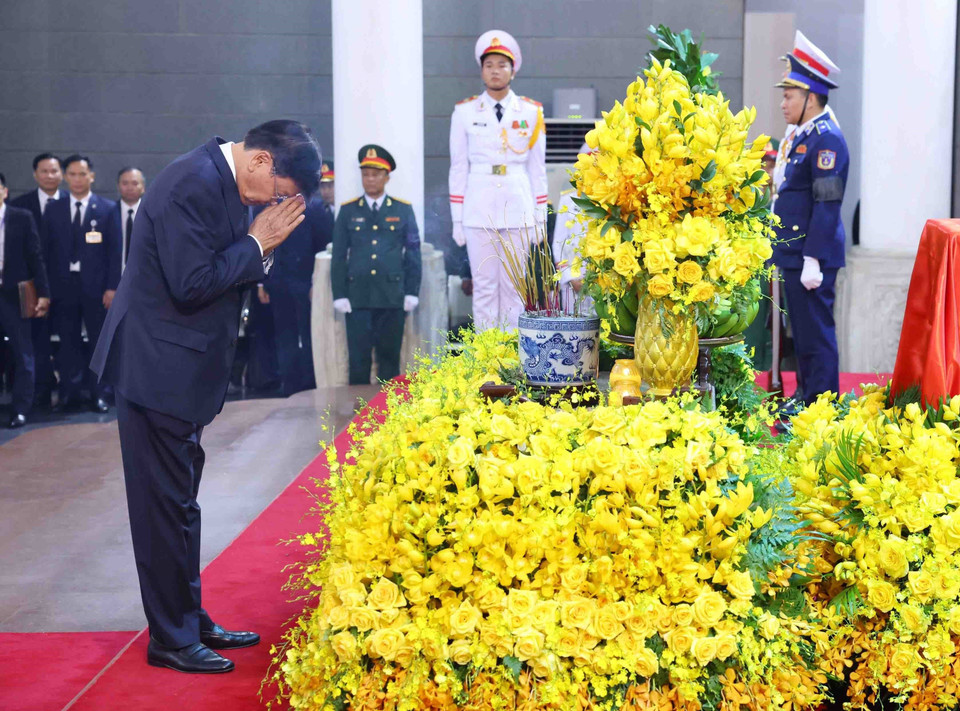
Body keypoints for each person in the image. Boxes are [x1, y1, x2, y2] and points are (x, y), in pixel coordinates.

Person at [90, 120, 320, 674]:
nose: (278, 207)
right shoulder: (189, 183)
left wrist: (255, 244)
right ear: (263, 162)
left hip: (181, 370)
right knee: (161, 508)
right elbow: (192, 282)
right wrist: (257, 241)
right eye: (284, 194)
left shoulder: (228, 180)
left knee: (181, 505)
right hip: (156, 369)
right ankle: (169, 638)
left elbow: (224, 268)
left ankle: (187, 618)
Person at [449, 29, 547, 331]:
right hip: (478, 211)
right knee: (485, 288)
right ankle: (487, 359)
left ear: (512, 70)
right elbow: (458, 167)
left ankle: (512, 359)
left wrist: (540, 216)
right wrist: (456, 219)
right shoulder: (464, 111)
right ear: (481, 70)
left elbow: (537, 168)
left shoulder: (532, 111)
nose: (495, 71)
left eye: (502, 65)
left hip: (519, 209)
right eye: (489, 65)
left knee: (516, 288)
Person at [772, 31, 849, 406]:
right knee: (800, 333)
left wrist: (814, 258)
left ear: (811, 97)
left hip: (810, 256)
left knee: (816, 334)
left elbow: (827, 204)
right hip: (796, 253)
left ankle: (822, 407)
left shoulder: (827, 140)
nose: (783, 103)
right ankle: (807, 399)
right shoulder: (803, 136)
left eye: (789, 95)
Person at [331, 144, 421, 385]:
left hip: (392, 296)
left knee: (389, 360)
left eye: (375, 174)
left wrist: (412, 291)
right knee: (358, 361)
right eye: (365, 174)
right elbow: (339, 255)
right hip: (357, 297)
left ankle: (387, 415)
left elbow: (413, 253)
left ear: (387, 177)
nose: (369, 180)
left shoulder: (403, 210)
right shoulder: (348, 211)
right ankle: (357, 416)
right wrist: (339, 294)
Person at [43, 154, 120, 413]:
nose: (78, 179)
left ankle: (100, 393)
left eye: (82, 174)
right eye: (72, 174)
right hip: (63, 287)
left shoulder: (108, 208)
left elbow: (114, 252)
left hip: (97, 289)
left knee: (99, 342)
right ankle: (70, 394)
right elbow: (46, 251)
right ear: (66, 177)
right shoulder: (53, 209)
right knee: (68, 342)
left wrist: (112, 287)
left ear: (92, 176)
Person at [253, 191, 331, 396]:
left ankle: (309, 384)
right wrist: (262, 283)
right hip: (278, 283)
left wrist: (317, 282)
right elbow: (260, 247)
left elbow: (323, 247)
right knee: (284, 336)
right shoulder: (268, 207)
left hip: (306, 283)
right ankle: (290, 385)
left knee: (308, 335)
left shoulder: (312, 207)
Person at [10, 153, 66, 411]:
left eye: (54, 171)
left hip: (68, 285)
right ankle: (39, 395)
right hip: (33, 287)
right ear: (35, 174)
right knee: (37, 342)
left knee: (70, 341)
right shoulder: (20, 205)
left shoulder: (72, 203)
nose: (49, 175)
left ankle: (70, 393)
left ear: (61, 174)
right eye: (44, 171)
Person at [0, 172, 50, 428]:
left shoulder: (21, 217)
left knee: (23, 354)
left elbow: (35, 257)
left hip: (13, 296)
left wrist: (43, 294)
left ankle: (21, 409)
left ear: (5, 192)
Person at [116, 166, 146, 271]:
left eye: (135, 183)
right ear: (118, 186)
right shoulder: (108, 212)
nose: (129, 188)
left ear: (143, 187)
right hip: (114, 275)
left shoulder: (151, 214)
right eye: (125, 183)